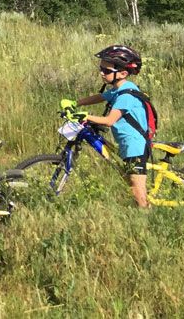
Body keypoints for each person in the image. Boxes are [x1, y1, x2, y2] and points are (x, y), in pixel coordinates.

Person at [61, 45, 151, 208]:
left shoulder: (126, 95)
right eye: (101, 68)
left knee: (136, 190)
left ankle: (147, 220)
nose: (102, 73)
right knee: (130, 183)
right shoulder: (119, 89)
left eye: (107, 71)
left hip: (134, 146)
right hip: (127, 144)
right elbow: (100, 97)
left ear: (123, 73)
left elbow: (109, 121)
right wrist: (75, 103)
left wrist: (85, 116)